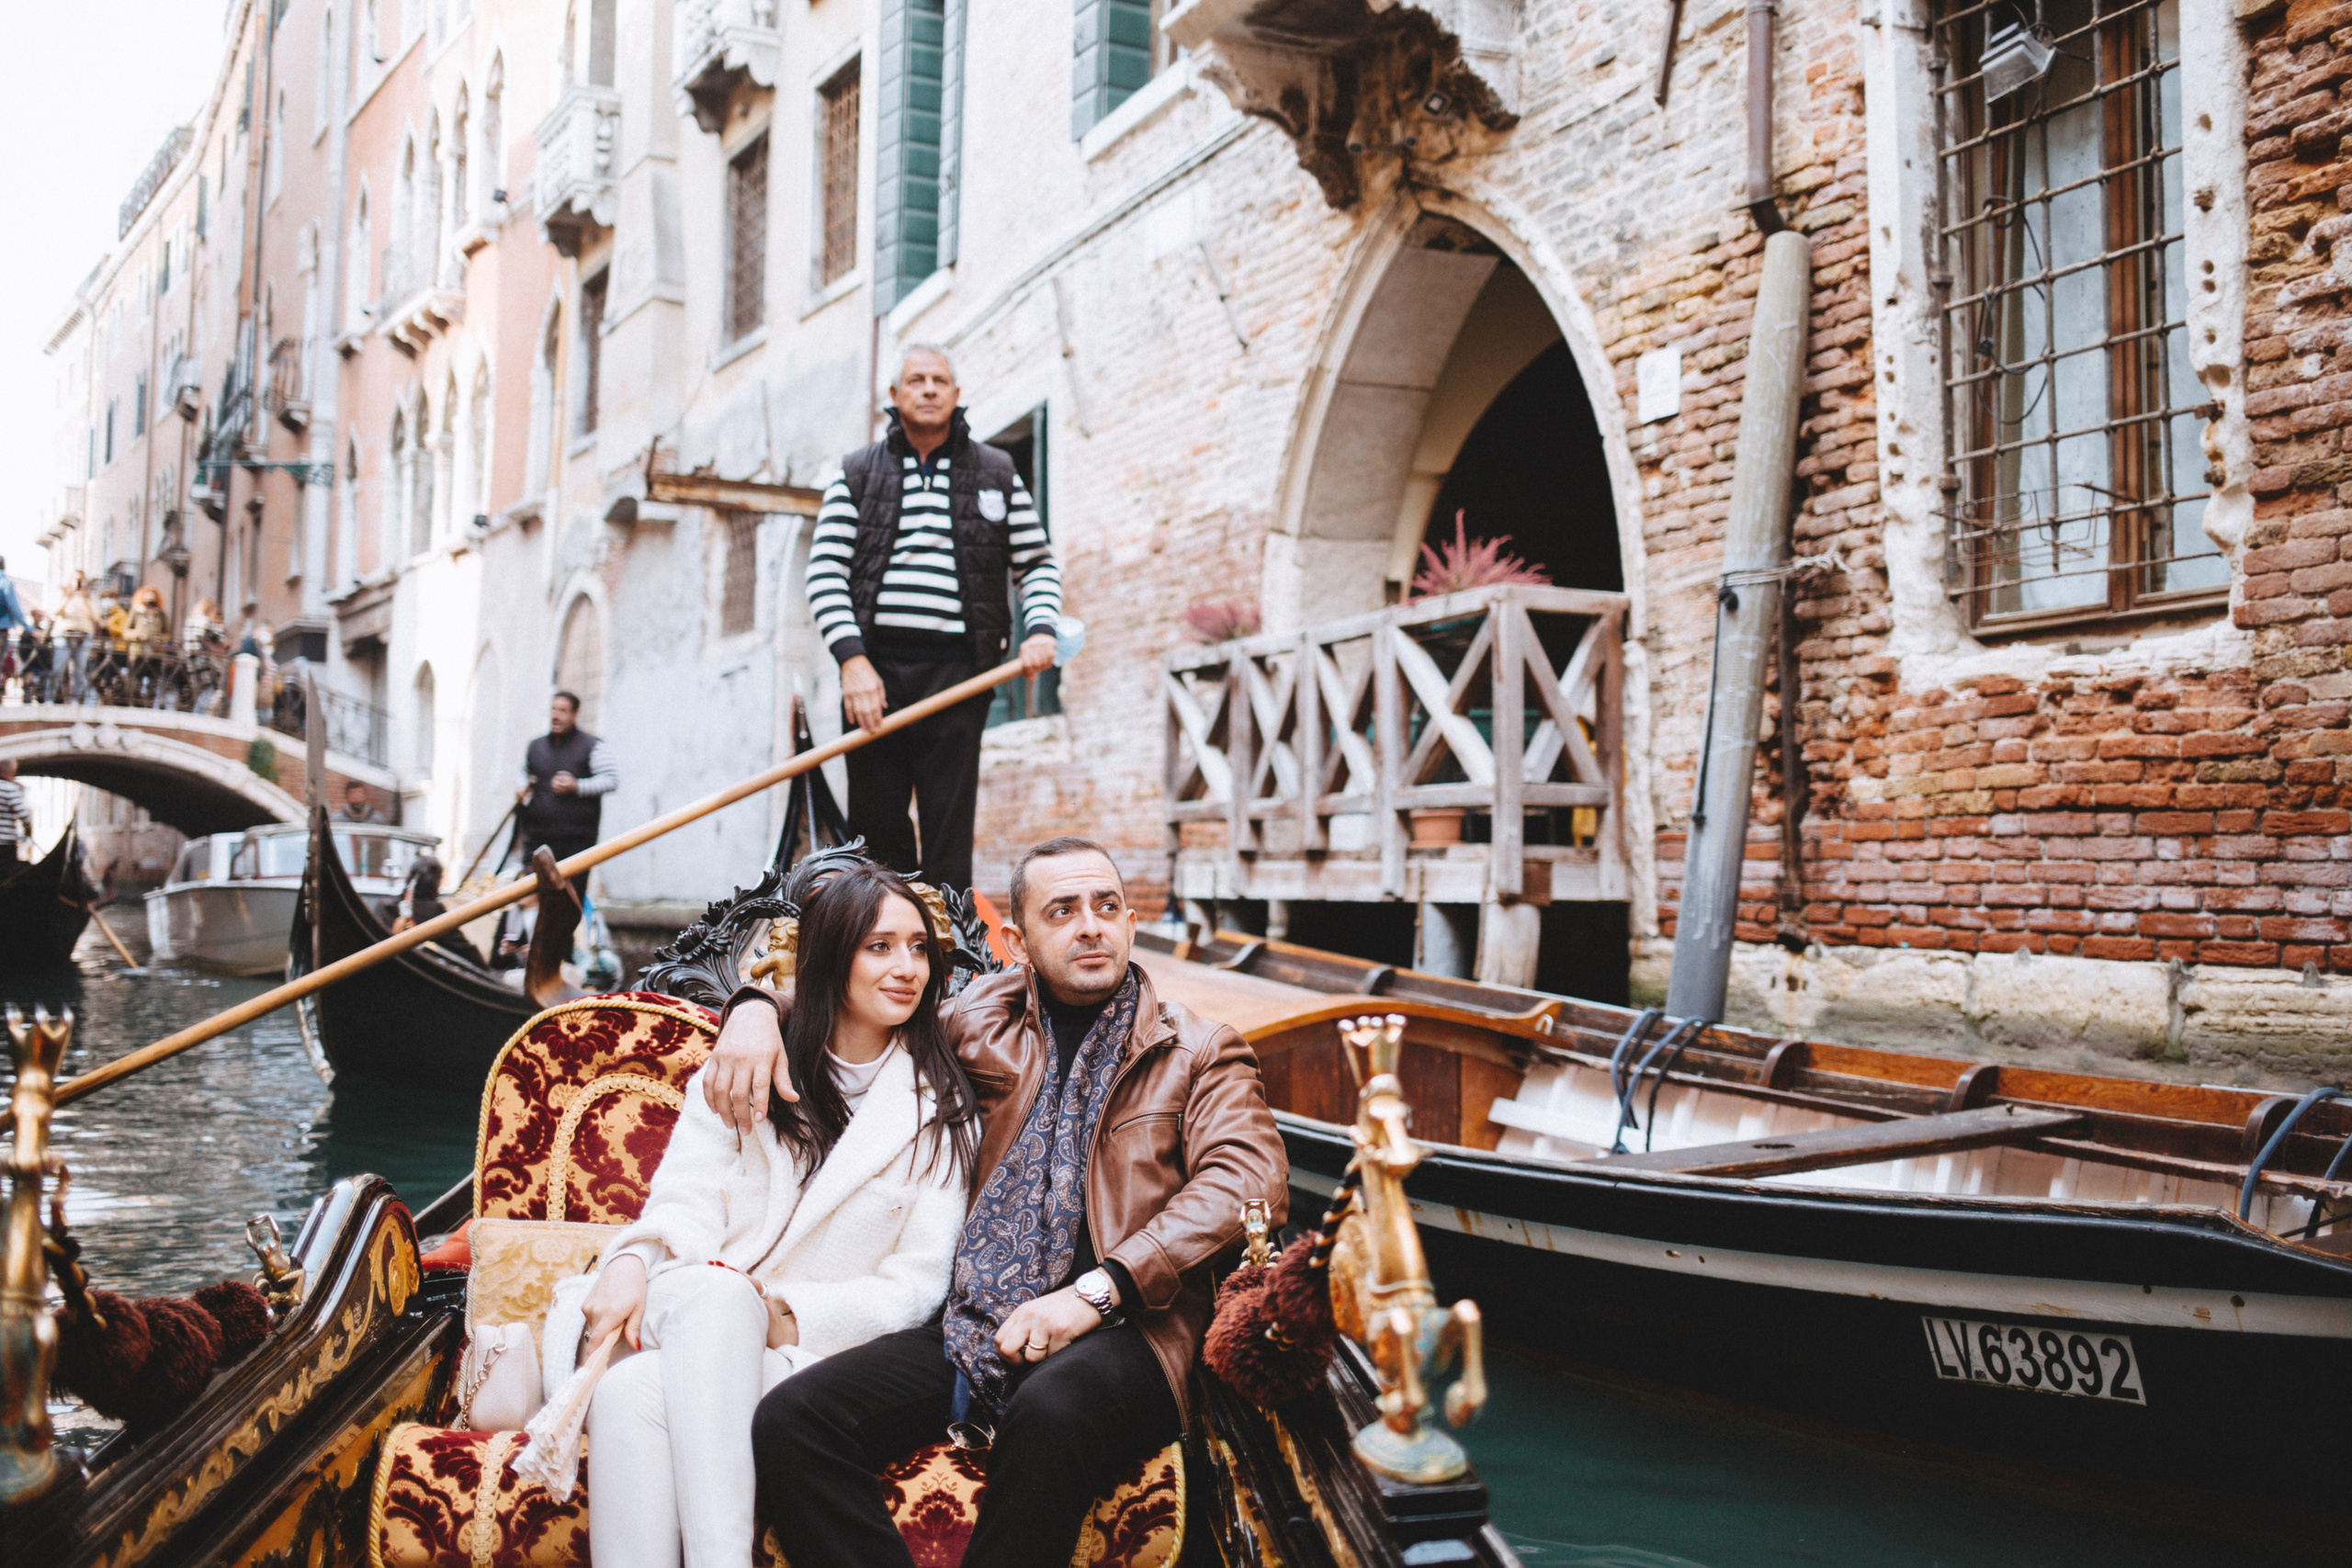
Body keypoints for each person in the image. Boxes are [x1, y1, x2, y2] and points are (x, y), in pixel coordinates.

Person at [701, 836, 1287, 1568]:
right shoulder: (975, 1020)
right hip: (970, 1319)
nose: (1091, 926)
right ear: (1018, 940)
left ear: (1131, 924)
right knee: (794, 1419)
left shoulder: (1200, 1049)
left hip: (1128, 1328)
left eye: (1107, 906)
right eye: (1063, 910)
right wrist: (753, 1008)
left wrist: (1095, 1293)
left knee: (1048, 1410)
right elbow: (851, 1001)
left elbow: (1249, 1179)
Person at [548, 863, 978, 1568]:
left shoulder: (943, 1110)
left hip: (797, 1354)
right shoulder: (743, 1067)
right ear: (831, 955)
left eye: (919, 947)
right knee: (715, 1293)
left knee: (633, 1392)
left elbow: (917, 1284)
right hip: (682, 1302)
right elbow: (683, 1197)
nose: (907, 968)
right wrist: (630, 1259)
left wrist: (784, 1310)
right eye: (880, 946)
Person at [804, 344, 1061, 893]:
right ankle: (879, 948)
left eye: (939, 380)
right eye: (915, 380)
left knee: (949, 833)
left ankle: (949, 963)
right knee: (877, 833)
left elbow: (1036, 564)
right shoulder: (855, 472)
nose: (928, 389)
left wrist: (1039, 629)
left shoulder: (996, 471)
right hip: (875, 677)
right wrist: (853, 663)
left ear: (956, 395)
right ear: (894, 397)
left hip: (961, 675)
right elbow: (825, 572)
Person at [516, 691, 616, 900]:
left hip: (576, 842)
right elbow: (523, 773)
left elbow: (610, 780)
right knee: (533, 898)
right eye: (553, 709)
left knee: (567, 901)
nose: (556, 715)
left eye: (562, 711)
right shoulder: (536, 746)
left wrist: (577, 786)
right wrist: (522, 787)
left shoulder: (592, 745)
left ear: (575, 714)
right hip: (538, 838)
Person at [53, 573, 96, 705]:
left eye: (81, 580)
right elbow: (55, 611)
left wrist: (85, 600)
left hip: (84, 634)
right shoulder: (64, 595)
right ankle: (50, 698)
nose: (79, 583)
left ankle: (76, 700)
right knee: (58, 668)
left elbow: (95, 616)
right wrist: (67, 597)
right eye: (76, 580)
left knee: (80, 670)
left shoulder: (88, 598)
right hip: (64, 633)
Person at [0, 759, 28, 877]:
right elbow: (23, 814)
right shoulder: (10, 789)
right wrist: (28, 829)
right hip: (5, 843)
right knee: (5, 875)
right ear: (11, 771)